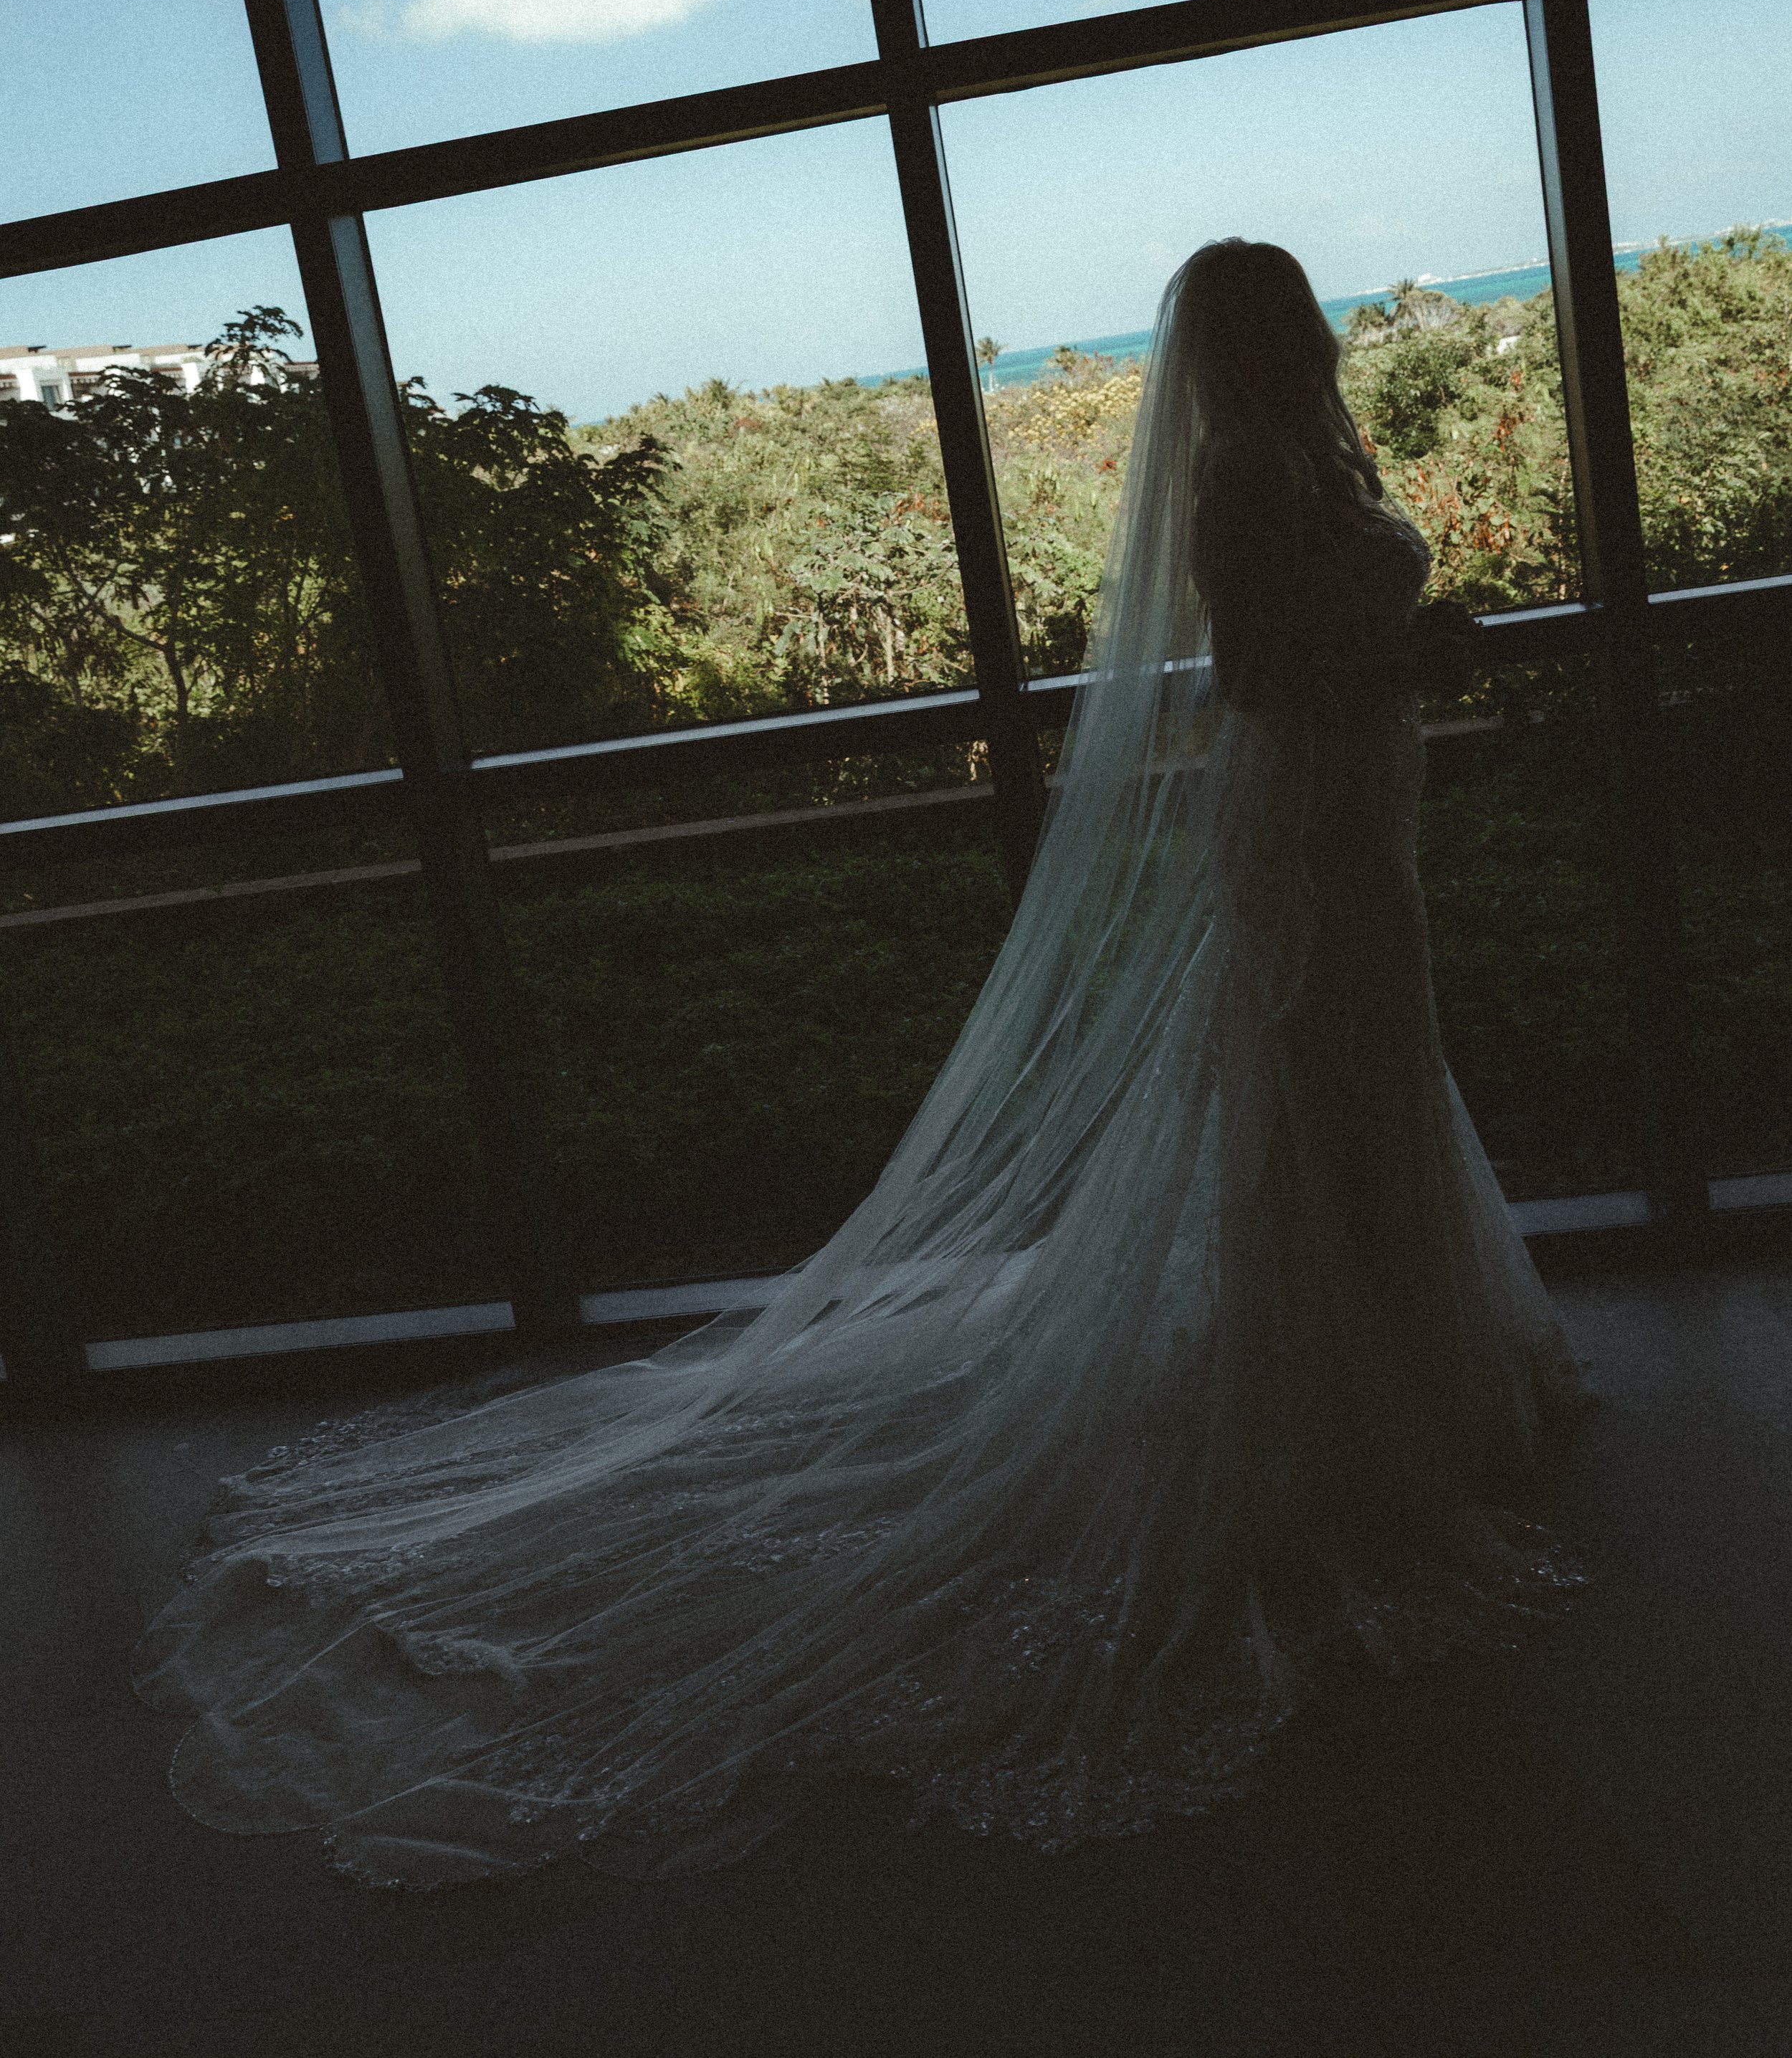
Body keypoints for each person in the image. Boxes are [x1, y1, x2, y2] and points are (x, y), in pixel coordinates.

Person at [135, 239, 1588, 1892]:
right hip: (1316, 846)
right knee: (1315, 1103)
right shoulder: (1250, 475)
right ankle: (1345, 1398)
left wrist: (1399, 666)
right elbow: (1257, 681)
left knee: (1358, 1094)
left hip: (1354, 836)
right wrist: (1417, 659)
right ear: (1278, 334)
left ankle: (1396, 1366)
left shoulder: (1296, 459)